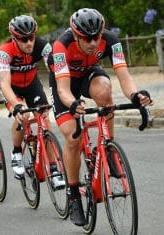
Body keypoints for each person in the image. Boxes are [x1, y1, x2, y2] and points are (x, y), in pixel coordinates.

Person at [48, 8, 153, 226]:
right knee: (73, 138)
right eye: (87, 38)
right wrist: (73, 104)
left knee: (105, 92)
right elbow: (64, 90)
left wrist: (136, 94)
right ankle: (74, 192)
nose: (93, 42)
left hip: (88, 74)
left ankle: (107, 148)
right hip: (64, 83)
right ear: (76, 35)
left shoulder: (110, 40)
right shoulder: (61, 46)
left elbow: (124, 76)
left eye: (96, 36)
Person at [0, 15, 65, 187]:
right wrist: (17, 106)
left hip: (32, 84)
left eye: (31, 37)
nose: (29, 43)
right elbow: (4, 84)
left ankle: (54, 168)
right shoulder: (4, 52)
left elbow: (56, 71)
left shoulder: (42, 46)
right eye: (24, 39)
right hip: (12, 87)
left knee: (44, 117)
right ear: (14, 38)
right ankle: (17, 152)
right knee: (24, 116)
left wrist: (63, 95)